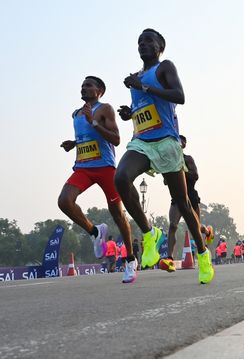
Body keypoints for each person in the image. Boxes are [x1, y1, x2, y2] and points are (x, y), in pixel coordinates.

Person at [115, 28, 214, 284]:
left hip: (167, 142)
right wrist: (132, 113)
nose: (143, 44)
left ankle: (203, 254)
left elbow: (179, 97)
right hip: (143, 141)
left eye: (149, 41)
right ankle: (150, 234)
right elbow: (147, 110)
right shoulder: (135, 77)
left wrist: (144, 87)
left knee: (182, 202)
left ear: (160, 46)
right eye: (139, 41)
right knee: (121, 178)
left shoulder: (164, 68)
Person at [57, 76, 135, 283]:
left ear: (99, 90)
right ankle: (94, 231)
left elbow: (116, 139)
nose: (84, 88)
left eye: (88, 85)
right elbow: (88, 136)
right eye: (82, 85)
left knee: (117, 214)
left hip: (105, 167)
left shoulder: (105, 109)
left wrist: (93, 120)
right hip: (83, 167)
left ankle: (130, 260)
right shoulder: (76, 114)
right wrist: (74, 143)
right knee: (64, 201)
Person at [159, 135, 214, 272]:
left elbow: (195, 175)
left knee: (195, 227)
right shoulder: (169, 161)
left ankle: (207, 231)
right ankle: (169, 259)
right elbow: (166, 181)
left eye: (180, 141)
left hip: (190, 196)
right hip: (176, 198)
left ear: (184, 145)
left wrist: (180, 171)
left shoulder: (188, 159)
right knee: (172, 225)